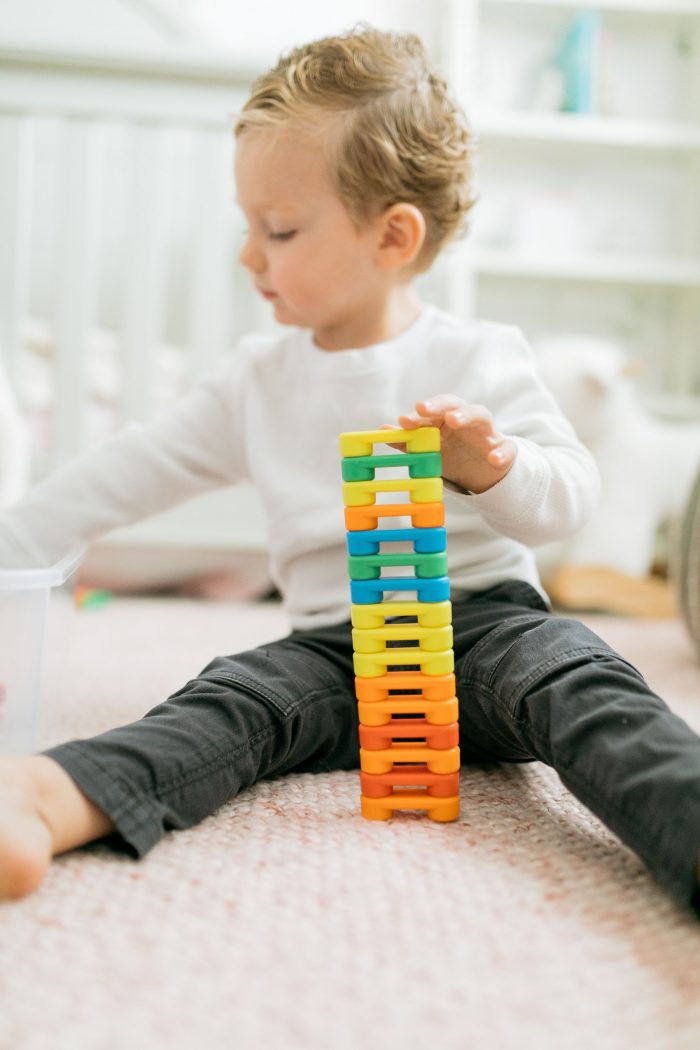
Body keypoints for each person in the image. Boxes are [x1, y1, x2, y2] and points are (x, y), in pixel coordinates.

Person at [1, 25, 699, 910]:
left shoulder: (480, 357)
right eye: (249, 226)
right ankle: (47, 798)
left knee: (592, 688)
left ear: (393, 237)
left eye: (280, 229)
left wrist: (495, 467)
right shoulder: (259, 383)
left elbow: (569, 501)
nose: (249, 255)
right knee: (230, 700)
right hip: (334, 654)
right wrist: (10, 552)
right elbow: (117, 475)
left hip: (490, 627)